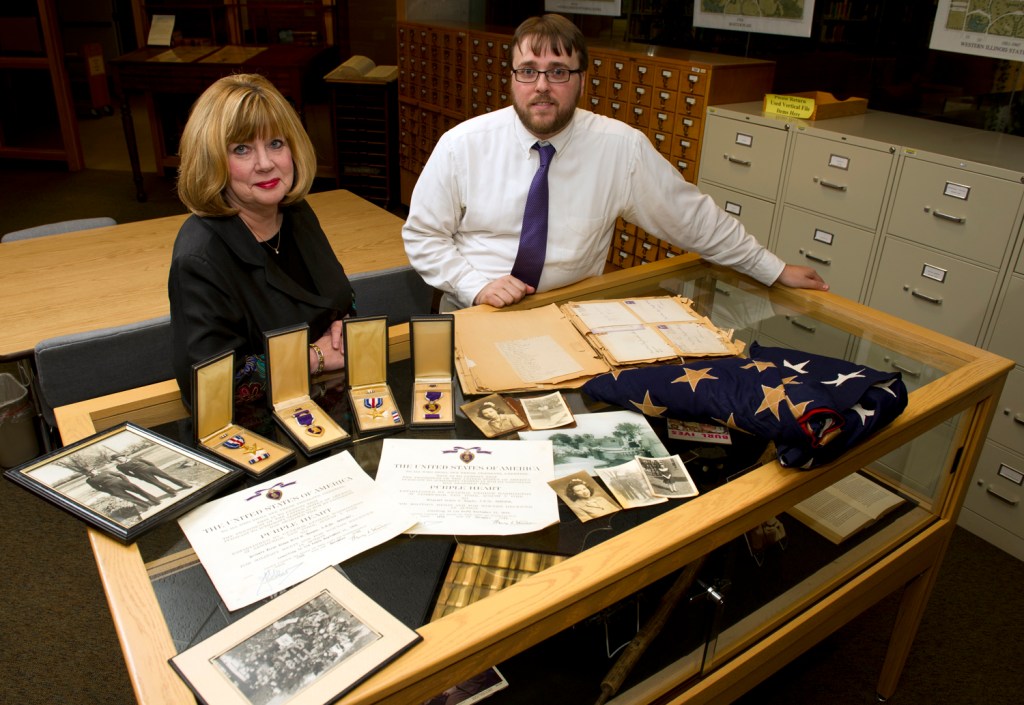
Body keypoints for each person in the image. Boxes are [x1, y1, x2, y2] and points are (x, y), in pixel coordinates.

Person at [402, 13, 829, 312]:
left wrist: (772, 269)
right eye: (528, 71)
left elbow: (693, 218)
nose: (542, 86)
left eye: (558, 71)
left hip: (570, 312)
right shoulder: (463, 145)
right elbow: (423, 236)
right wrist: (476, 286)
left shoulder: (620, 148)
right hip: (476, 310)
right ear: (512, 79)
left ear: (582, 80)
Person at [168, 73, 355, 407]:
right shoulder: (200, 257)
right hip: (255, 423)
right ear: (212, 160)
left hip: (318, 401)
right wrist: (314, 357)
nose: (266, 164)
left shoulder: (295, 212)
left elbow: (338, 298)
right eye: (242, 149)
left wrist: (344, 327)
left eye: (276, 144)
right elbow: (211, 385)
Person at [113, 454, 191, 495]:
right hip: (142, 474)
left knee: (168, 477)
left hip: (151, 469)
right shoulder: (120, 466)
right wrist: (138, 476)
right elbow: (127, 473)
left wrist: (154, 468)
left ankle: (184, 485)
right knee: (157, 483)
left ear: (124, 456)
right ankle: (172, 491)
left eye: (120, 457)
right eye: (117, 459)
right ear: (116, 460)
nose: (120, 459)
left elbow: (149, 462)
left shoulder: (135, 458)